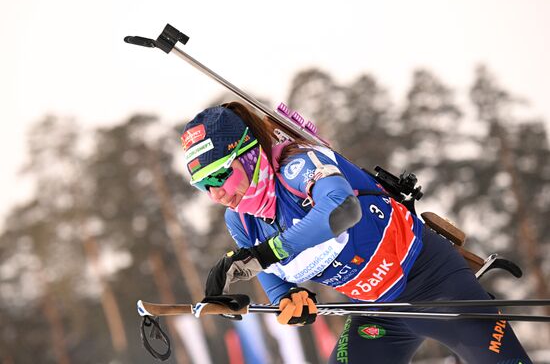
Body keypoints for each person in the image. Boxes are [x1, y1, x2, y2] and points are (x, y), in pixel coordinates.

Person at [180, 101, 532, 363]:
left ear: (248, 155)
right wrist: (286, 297)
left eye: (219, 176)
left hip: (435, 285)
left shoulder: (297, 164)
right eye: (202, 185)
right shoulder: (241, 220)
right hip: (378, 312)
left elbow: (342, 209)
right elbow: (271, 275)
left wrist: (267, 252)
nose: (216, 194)